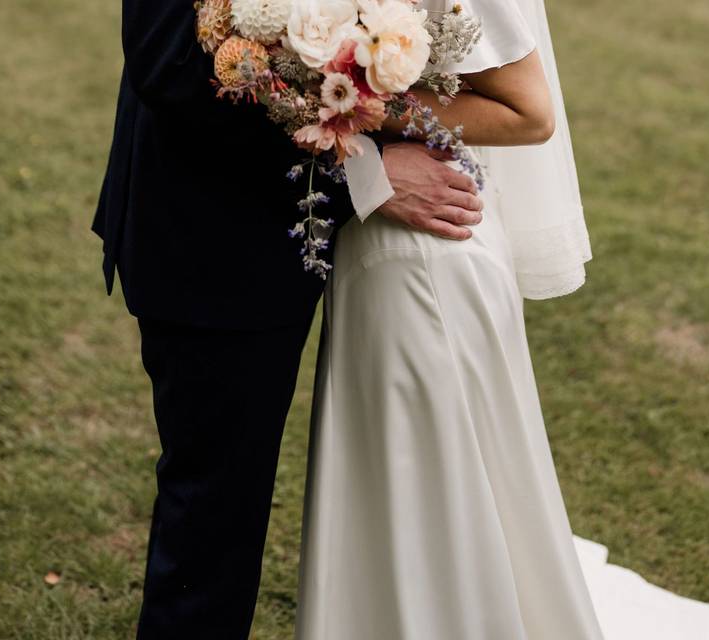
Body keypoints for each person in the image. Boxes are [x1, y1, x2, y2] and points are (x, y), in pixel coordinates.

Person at [296, 0, 709, 638]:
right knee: (409, 484)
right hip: (386, 230)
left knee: (436, 484)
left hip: (429, 251)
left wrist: (345, 101)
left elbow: (529, 112)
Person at [91, 1, 484, 637]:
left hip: (337, 244)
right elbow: (170, 69)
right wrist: (366, 170)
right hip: (213, 234)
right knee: (212, 519)